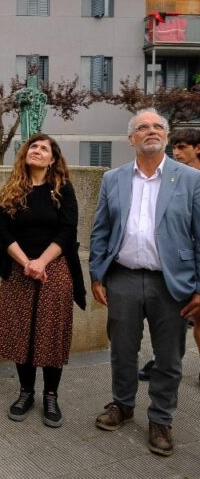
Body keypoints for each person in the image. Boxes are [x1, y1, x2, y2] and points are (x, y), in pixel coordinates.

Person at [89, 108, 200, 457]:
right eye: (142, 127)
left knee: (169, 356)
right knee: (122, 349)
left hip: (171, 282)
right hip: (122, 277)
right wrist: (97, 274)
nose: (150, 131)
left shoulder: (190, 179)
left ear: (165, 135)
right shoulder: (114, 179)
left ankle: (161, 418)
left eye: (156, 126)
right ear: (131, 139)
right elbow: (101, 229)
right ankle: (122, 405)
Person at [0, 133, 85, 428]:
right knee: (21, 332)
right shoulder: (12, 189)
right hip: (18, 267)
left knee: (51, 333)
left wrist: (41, 262)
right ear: (26, 153)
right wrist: (27, 263)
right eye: (34, 146)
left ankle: (51, 395)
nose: (38, 150)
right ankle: (26, 392)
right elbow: (2, 231)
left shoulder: (63, 189)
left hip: (54, 268)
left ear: (53, 159)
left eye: (45, 148)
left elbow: (68, 230)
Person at [138, 128, 200, 383]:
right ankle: (160, 359)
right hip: (174, 261)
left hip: (193, 257)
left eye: (183, 147)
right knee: (174, 316)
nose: (177, 152)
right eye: (175, 147)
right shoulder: (170, 177)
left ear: (198, 148)